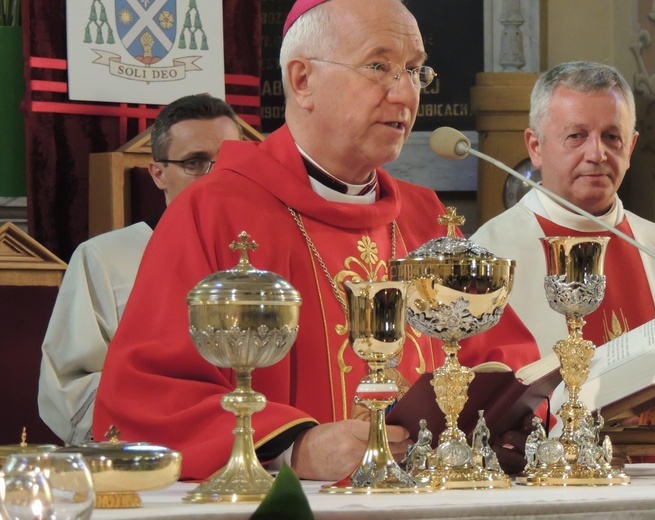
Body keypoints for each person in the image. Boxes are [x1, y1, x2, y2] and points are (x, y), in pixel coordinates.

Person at [93, 0, 542, 482]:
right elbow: (148, 396)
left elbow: (502, 360)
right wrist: (294, 446)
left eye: (414, 70)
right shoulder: (213, 211)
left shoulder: (428, 216)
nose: (405, 93)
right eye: (379, 66)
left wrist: (508, 416)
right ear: (303, 80)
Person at [470, 61, 655, 440]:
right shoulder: (486, 257)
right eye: (576, 136)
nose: (597, 154)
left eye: (612, 137)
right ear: (536, 147)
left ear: (632, 145)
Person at [38, 94, 243, 445]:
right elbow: (69, 390)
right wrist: (195, 423)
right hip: (157, 458)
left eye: (230, 161)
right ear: (159, 174)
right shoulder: (104, 258)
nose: (216, 177)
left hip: (269, 450)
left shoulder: (273, 254)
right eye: (195, 162)